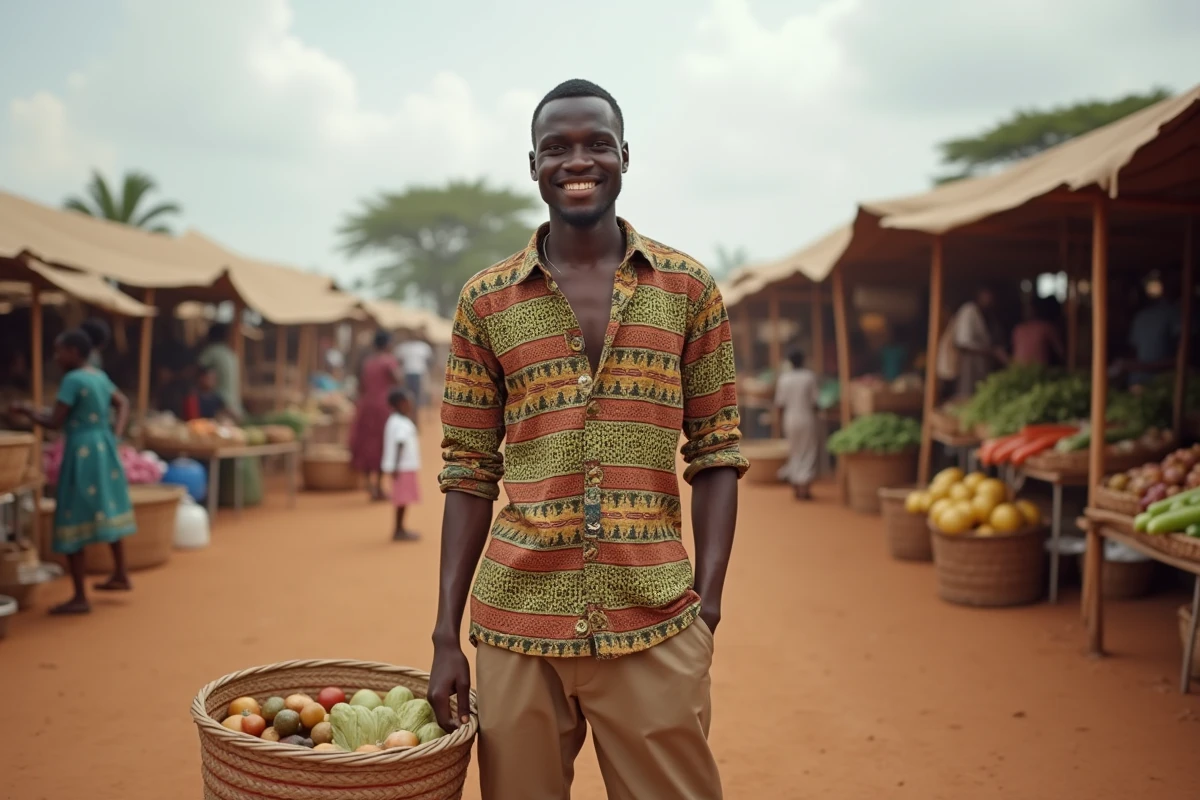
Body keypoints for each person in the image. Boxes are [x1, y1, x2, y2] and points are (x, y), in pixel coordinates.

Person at [429, 78, 747, 800]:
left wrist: (710, 605)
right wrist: (446, 634)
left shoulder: (689, 290)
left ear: (625, 157)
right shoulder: (486, 301)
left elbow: (718, 450)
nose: (579, 160)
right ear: (534, 164)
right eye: (558, 147)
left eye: (597, 144)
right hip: (517, 628)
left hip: (657, 619)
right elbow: (468, 471)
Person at [7, 329, 135, 615]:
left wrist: (26, 411)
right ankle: (121, 573)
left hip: (81, 452)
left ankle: (79, 596)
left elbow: (54, 421)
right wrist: (114, 434)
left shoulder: (72, 380)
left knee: (71, 513)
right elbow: (123, 402)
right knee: (107, 505)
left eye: (59, 351)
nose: (56, 357)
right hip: (103, 448)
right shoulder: (98, 376)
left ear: (75, 352)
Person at [349, 330, 402, 501]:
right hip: (383, 408)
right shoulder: (388, 361)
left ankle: (369, 485)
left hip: (366, 406)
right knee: (381, 445)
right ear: (386, 344)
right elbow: (397, 380)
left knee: (366, 444)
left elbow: (361, 385)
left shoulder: (367, 362)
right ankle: (378, 486)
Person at [937, 287, 1007, 399]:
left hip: (981, 363)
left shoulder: (987, 315)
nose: (990, 300)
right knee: (967, 395)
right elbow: (963, 343)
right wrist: (992, 352)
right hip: (969, 363)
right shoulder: (969, 310)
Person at [775, 349, 819, 500]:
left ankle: (795, 483)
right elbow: (815, 402)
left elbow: (779, 404)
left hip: (790, 419)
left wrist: (779, 424)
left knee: (794, 451)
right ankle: (804, 488)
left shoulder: (784, 379)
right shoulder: (809, 377)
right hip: (806, 418)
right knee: (807, 451)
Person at [1122, 280, 1182, 386]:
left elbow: (1183, 356)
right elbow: (1134, 351)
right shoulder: (1140, 317)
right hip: (1141, 382)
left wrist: (1137, 366)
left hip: (1164, 383)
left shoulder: (1174, 313)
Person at [381, 387, 421, 542]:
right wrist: (397, 467)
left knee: (402, 500)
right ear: (399, 404)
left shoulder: (395, 421)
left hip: (403, 466)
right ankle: (398, 530)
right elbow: (400, 444)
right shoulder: (401, 423)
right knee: (402, 500)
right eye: (407, 402)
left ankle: (400, 528)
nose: (410, 405)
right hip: (404, 467)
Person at [197, 322, 244, 418]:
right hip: (233, 400)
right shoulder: (230, 353)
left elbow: (198, 368)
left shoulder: (212, 351)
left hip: (220, 399)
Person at [1011, 296, 1064, 367]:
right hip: (1038, 372)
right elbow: (1061, 353)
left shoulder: (1018, 329)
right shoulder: (1046, 327)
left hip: (1018, 370)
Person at [394, 333, 434, 414]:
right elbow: (397, 360)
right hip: (407, 374)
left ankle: (415, 414)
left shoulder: (423, 347)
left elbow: (430, 361)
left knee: (417, 396)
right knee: (407, 395)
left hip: (419, 374)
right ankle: (408, 412)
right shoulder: (403, 347)